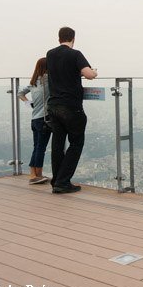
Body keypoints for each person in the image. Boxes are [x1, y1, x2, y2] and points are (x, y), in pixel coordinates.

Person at [46, 26, 98, 194]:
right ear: (73, 39)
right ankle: (63, 181)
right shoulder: (75, 54)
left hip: (53, 105)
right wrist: (94, 72)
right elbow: (88, 74)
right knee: (76, 143)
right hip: (70, 106)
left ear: (58, 38)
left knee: (57, 144)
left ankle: (56, 181)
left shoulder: (50, 54)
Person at [17, 58, 52, 185]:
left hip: (34, 119)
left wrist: (28, 102)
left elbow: (20, 93)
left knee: (37, 147)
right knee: (41, 148)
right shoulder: (48, 80)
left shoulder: (33, 82)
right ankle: (36, 175)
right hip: (44, 119)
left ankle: (35, 174)